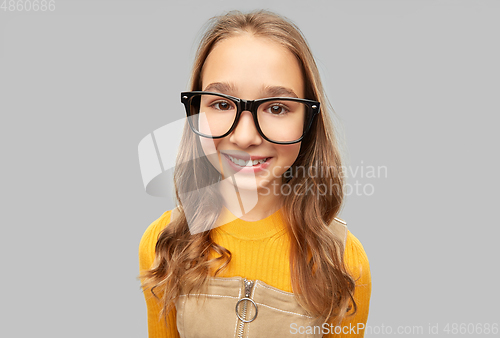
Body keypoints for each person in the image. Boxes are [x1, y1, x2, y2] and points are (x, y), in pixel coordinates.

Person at [138, 9, 371, 338]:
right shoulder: (165, 244)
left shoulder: (342, 260)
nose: (245, 136)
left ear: (308, 120)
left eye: (276, 107)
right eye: (221, 104)